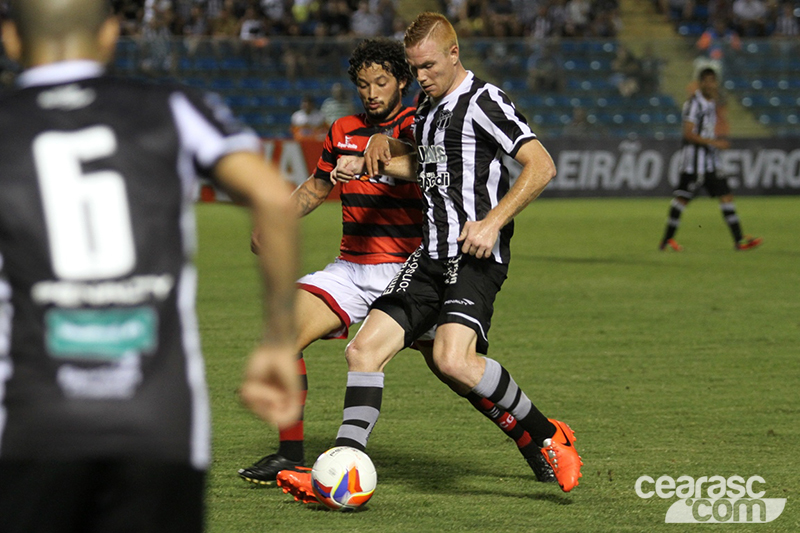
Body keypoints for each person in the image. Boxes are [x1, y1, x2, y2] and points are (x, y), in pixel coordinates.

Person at [0, 1, 301, 531]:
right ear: (112, 34)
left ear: (11, 40)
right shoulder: (173, 107)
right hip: (157, 423)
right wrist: (277, 338)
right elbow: (274, 199)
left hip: (34, 423)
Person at [276, 12, 583, 501]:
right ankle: (338, 472)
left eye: (428, 66)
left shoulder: (484, 101)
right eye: (415, 68)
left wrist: (493, 222)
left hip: (474, 254)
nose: (420, 77)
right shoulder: (428, 108)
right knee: (363, 350)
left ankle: (548, 436)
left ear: (454, 54)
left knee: (453, 361)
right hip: (429, 255)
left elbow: (540, 165)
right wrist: (372, 158)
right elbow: (426, 163)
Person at [659, 68, 762, 252]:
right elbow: (688, 134)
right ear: (700, 83)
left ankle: (739, 240)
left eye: (712, 81)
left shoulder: (711, 103)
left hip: (710, 163)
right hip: (693, 163)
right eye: (706, 81)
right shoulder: (693, 104)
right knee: (682, 199)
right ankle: (667, 240)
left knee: (726, 196)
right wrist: (715, 142)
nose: (710, 84)